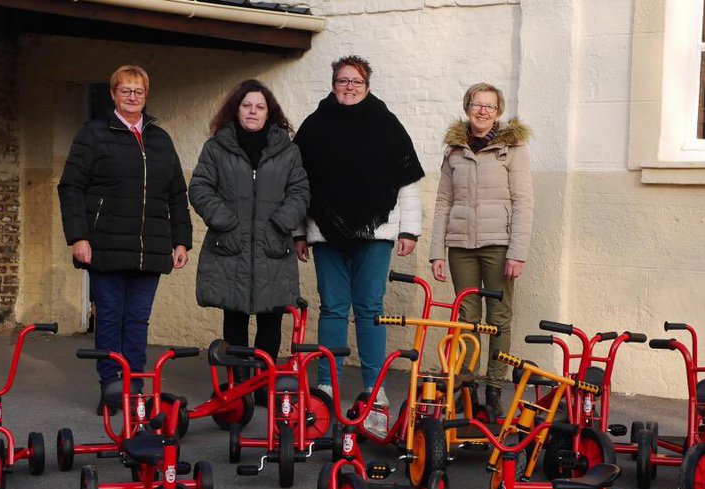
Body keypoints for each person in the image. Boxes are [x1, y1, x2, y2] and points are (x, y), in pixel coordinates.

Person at [294, 55, 425, 415]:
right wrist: (298, 233)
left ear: (367, 86)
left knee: (370, 309)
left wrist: (409, 229)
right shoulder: (314, 127)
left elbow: (407, 180)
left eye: (356, 81)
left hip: (377, 232)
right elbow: (298, 186)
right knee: (333, 308)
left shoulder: (386, 125)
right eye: (342, 80)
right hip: (324, 233)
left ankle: (374, 388)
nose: (349, 87)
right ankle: (327, 385)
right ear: (333, 84)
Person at [58, 65, 192, 413]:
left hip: (150, 248)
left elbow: (177, 193)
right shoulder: (93, 134)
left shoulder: (159, 138)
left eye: (139, 91)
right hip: (104, 245)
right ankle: (111, 388)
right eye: (125, 90)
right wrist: (79, 236)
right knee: (110, 317)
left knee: (137, 321)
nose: (132, 97)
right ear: (113, 93)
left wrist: (181, 241)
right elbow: (70, 186)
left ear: (146, 96)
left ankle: (135, 388)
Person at [189, 79, 309, 405]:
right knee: (236, 317)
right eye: (247, 105)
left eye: (259, 107)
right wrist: (226, 221)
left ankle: (263, 385)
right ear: (236, 109)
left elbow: (299, 193)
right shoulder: (216, 148)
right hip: (232, 248)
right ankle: (239, 385)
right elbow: (199, 188)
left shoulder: (288, 150)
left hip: (273, 248)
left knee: (271, 319)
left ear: (269, 113)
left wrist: (280, 224)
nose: (253, 112)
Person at [429, 82, 533, 417]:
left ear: (498, 111)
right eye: (477, 104)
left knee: (499, 317)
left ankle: (493, 388)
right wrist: (437, 252)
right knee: (466, 319)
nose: (482, 111)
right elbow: (443, 202)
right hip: (461, 246)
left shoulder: (512, 148)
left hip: (499, 246)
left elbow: (523, 202)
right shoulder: (454, 150)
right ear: (467, 107)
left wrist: (517, 251)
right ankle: (466, 387)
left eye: (489, 106)